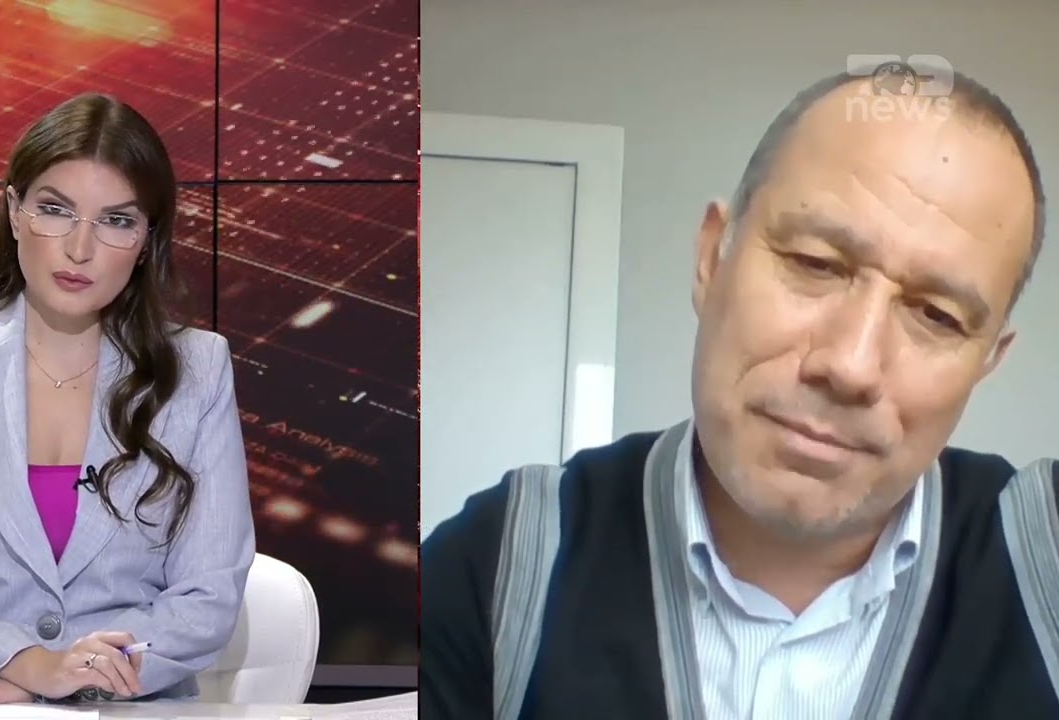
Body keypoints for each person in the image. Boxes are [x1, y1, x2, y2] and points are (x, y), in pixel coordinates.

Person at [421, 68, 1059, 719]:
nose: (851, 365)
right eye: (815, 263)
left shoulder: (1048, 561)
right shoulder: (493, 567)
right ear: (711, 258)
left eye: (937, 316)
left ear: (988, 360)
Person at [0, 92, 256, 706]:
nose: (80, 249)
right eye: (55, 209)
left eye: (116, 221)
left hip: (127, 706)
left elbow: (206, 600)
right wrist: (30, 666)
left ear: (147, 240)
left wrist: (76, 675)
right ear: (14, 212)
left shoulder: (197, 370)